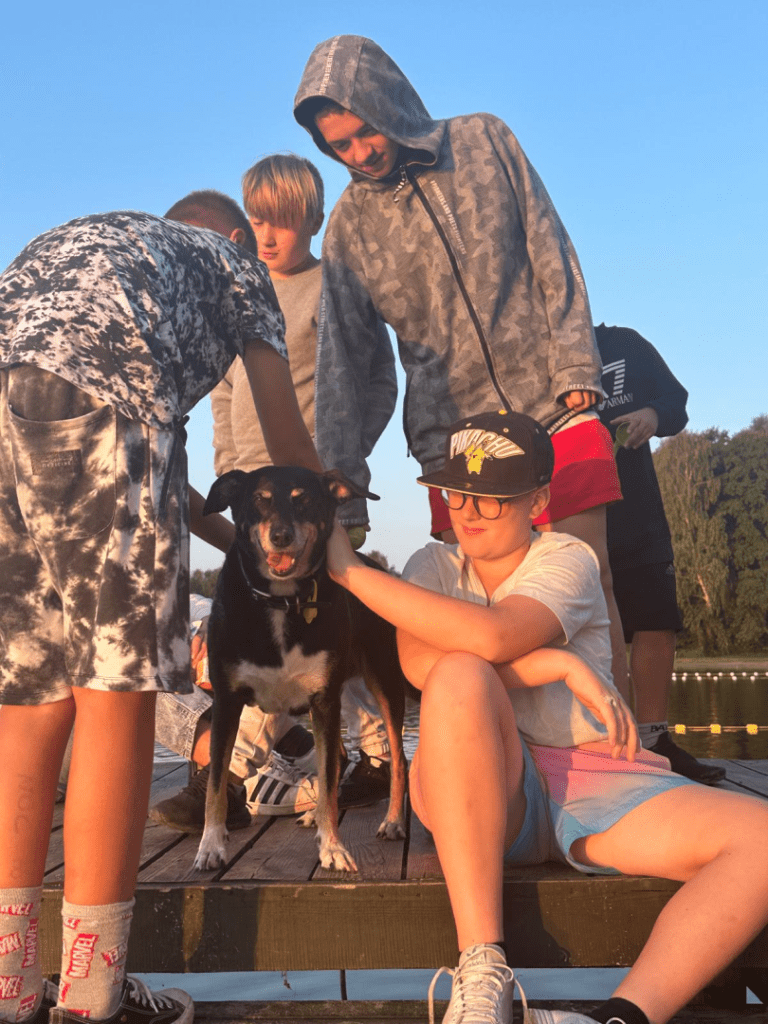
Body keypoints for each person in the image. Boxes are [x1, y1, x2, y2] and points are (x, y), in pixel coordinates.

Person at [324, 409, 768, 1024]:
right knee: (457, 675)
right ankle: (483, 973)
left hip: (591, 778)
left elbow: (496, 634)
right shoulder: (432, 566)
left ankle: (618, 1018)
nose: (468, 511)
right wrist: (555, 665)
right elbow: (421, 665)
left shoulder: (567, 558)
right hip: (478, 791)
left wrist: (348, 571)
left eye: (492, 496)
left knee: (760, 841)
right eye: (456, 492)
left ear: (536, 501)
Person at [0, 196, 322, 1024]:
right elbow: (288, 441)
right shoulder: (237, 266)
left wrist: (237, 546)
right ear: (235, 238)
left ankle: (9, 990)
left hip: (8, 397)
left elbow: (158, 488)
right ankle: (93, 999)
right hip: (107, 397)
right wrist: (337, 546)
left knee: (30, 704)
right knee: (118, 695)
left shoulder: (111, 246)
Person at [293, 35, 629, 698]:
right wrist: (345, 478)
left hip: (555, 402)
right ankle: (510, 747)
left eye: (366, 131)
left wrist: (574, 360)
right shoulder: (348, 228)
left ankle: (618, 737)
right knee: (479, 605)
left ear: (391, 101)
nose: (359, 154)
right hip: (456, 441)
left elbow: (550, 244)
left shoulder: (483, 140)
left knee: (592, 577)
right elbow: (347, 365)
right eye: (340, 146)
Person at [150, 164, 393, 832]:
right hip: (254, 502)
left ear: (313, 220)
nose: (267, 234)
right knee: (261, 632)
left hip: (316, 497)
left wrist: (347, 455)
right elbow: (225, 392)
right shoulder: (235, 293)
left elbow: (379, 375)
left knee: (329, 629)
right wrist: (228, 470)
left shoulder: (335, 288)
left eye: (282, 220)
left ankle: (236, 776)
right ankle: (275, 765)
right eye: (257, 219)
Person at [595, 323, 724, 785]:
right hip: (568, 513)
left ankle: (653, 740)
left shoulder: (623, 344)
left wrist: (652, 413)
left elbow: (675, 402)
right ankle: (606, 743)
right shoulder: (533, 353)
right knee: (587, 626)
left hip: (638, 511)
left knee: (654, 619)